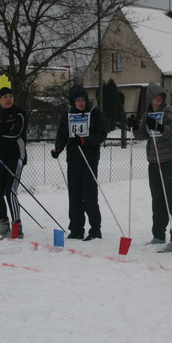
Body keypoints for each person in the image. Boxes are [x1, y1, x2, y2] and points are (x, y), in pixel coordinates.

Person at [128, 82, 172, 253]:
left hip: (171, 161)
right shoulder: (147, 114)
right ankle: (158, 234)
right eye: (155, 95)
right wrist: (133, 127)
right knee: (158, 200)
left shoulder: (170, 111)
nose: (158, 98)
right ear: (149, 98)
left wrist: (161, 127)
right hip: (154, 161)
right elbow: (142, 134)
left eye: (160, 95)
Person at [51, 85, 107, 241]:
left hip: (89, 160)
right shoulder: (68, 115)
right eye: (77, 100)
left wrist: (84, 140)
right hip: (74, 161)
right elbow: (62, 134)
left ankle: (95, 229)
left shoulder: (94, 112)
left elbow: (101, 134)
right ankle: (76, 229)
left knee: (89, 196)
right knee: (74, 196)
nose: (81, 103)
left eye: (83, 100)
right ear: (72, 102)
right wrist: (58, 148)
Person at [0, 87, 28, 239]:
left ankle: (17, 227)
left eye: (10, 96)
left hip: (16, 157)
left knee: (10, 191)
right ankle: (3, 225)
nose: (8, 99)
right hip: (1, 158)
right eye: (5, 97)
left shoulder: (19, 114)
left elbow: (16, 133)